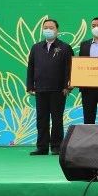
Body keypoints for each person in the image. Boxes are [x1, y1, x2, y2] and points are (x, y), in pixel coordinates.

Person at [25, 18, 72, 155]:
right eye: (45, 28)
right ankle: (42, 147)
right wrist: (30, 85)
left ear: (57, 30)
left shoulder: (65, 47)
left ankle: (57, 146)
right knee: (41, 118)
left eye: (51, 28)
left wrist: (68, 86)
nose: (48, 30)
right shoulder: (36, 47)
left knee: (57, 118)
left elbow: (69, 68)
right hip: (40, 88)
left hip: (58, 89)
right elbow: (31, 67)